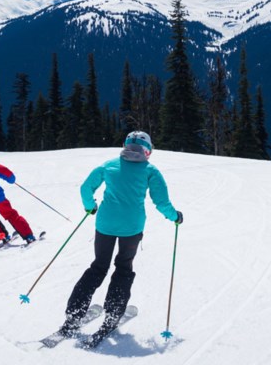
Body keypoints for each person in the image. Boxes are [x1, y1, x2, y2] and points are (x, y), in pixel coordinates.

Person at [58, 130, 182, 341]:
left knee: (98, 267)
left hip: (105, 224)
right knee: (123, 269)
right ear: (148, 150)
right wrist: (175, 216)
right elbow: (161, 202)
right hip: (132, 228)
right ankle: (113, 315)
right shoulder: (150, 170)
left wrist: (90, 207)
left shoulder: (109, 165)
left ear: (125, 145)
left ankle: (73, 316)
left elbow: (86, 187)